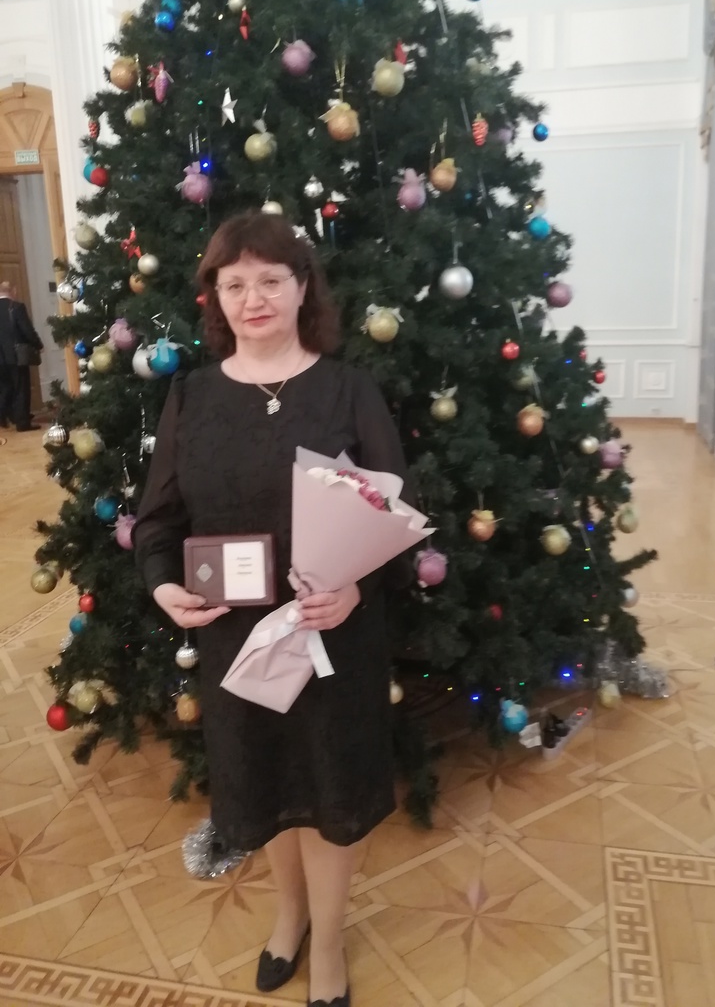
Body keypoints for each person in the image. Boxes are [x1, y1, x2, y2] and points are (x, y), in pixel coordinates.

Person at [134, 212, 415, 1007]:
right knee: (266, 785)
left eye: (269, 280)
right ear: (215, 297)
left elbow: (397, 512)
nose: (252, 298)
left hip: (334, 636)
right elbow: (157, 522)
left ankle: (328, 945)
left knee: (328, 789)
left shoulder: (348, 389)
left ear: (301, 288)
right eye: (234, 284)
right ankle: (288, 916)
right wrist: (162, 584)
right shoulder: (191, 396)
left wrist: (358, 587)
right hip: (237, 640)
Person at [0, 280, 43, 432]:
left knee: (4, 387)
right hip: (16, 356)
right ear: (13, 291)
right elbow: (27, 330)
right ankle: (22, 422)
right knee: (21, 388)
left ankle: (4, 416)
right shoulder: (16, 307)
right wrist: (38, 345)